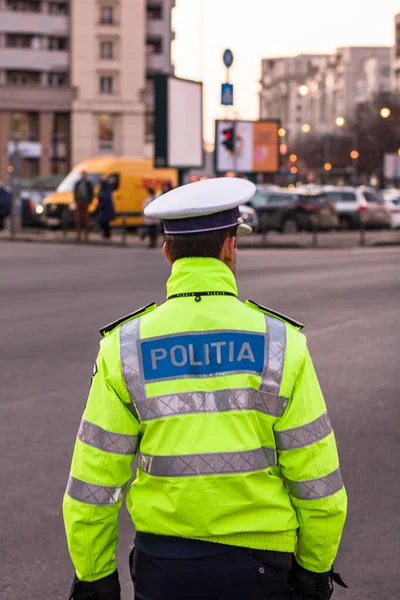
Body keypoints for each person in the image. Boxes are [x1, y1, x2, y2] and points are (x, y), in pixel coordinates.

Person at [63, 178, 347, 600]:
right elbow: (318, 482)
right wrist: (314, 571)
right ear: (230, 247)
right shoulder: (281, 343)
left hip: (165, 567)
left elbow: (93, 484)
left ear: (168, 252)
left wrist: (95, 576)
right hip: (261, 568)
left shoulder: (123, 347)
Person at [74, 171, 94, 242]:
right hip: (79, 202)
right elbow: (75, 192)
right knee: (79, 219)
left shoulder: (88, 183)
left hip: (85, 202)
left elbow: (91, 193)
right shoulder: (78, 183)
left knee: (86, 219)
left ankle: (86, 234)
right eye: (82, 175)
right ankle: (78, 234)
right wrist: (76, 200)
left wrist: (89, 201)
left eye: (84, 175)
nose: (83, 176)